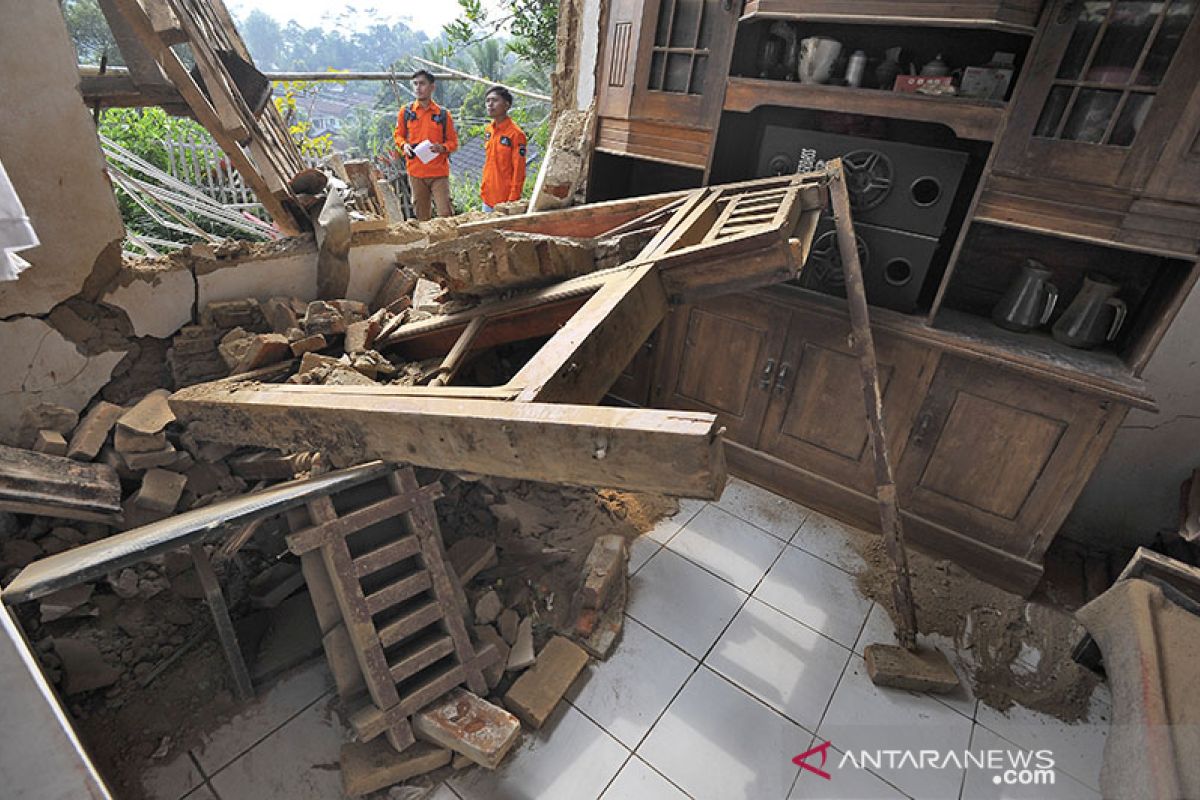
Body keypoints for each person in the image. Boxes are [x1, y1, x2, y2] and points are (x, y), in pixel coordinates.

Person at [394, 69, 458, 221]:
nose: (418, 88)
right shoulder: (406, 112)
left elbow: (453, 142)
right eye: (415, 84)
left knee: (445, 213)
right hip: (416, 172)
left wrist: (442, 148)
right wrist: (404, 146)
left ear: (432, 87)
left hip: (438, 173)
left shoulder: (443, 114)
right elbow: (398, 135)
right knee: (422, 216)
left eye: (422, 84)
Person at [480, 86, 528, 213]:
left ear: (507, 105)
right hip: (488, 197)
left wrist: (513, 199)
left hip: (506, 200)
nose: (490, 104)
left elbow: (519, 169)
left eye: (494, 100)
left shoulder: (516, 134)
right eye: (487, 101)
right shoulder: (488, 130)